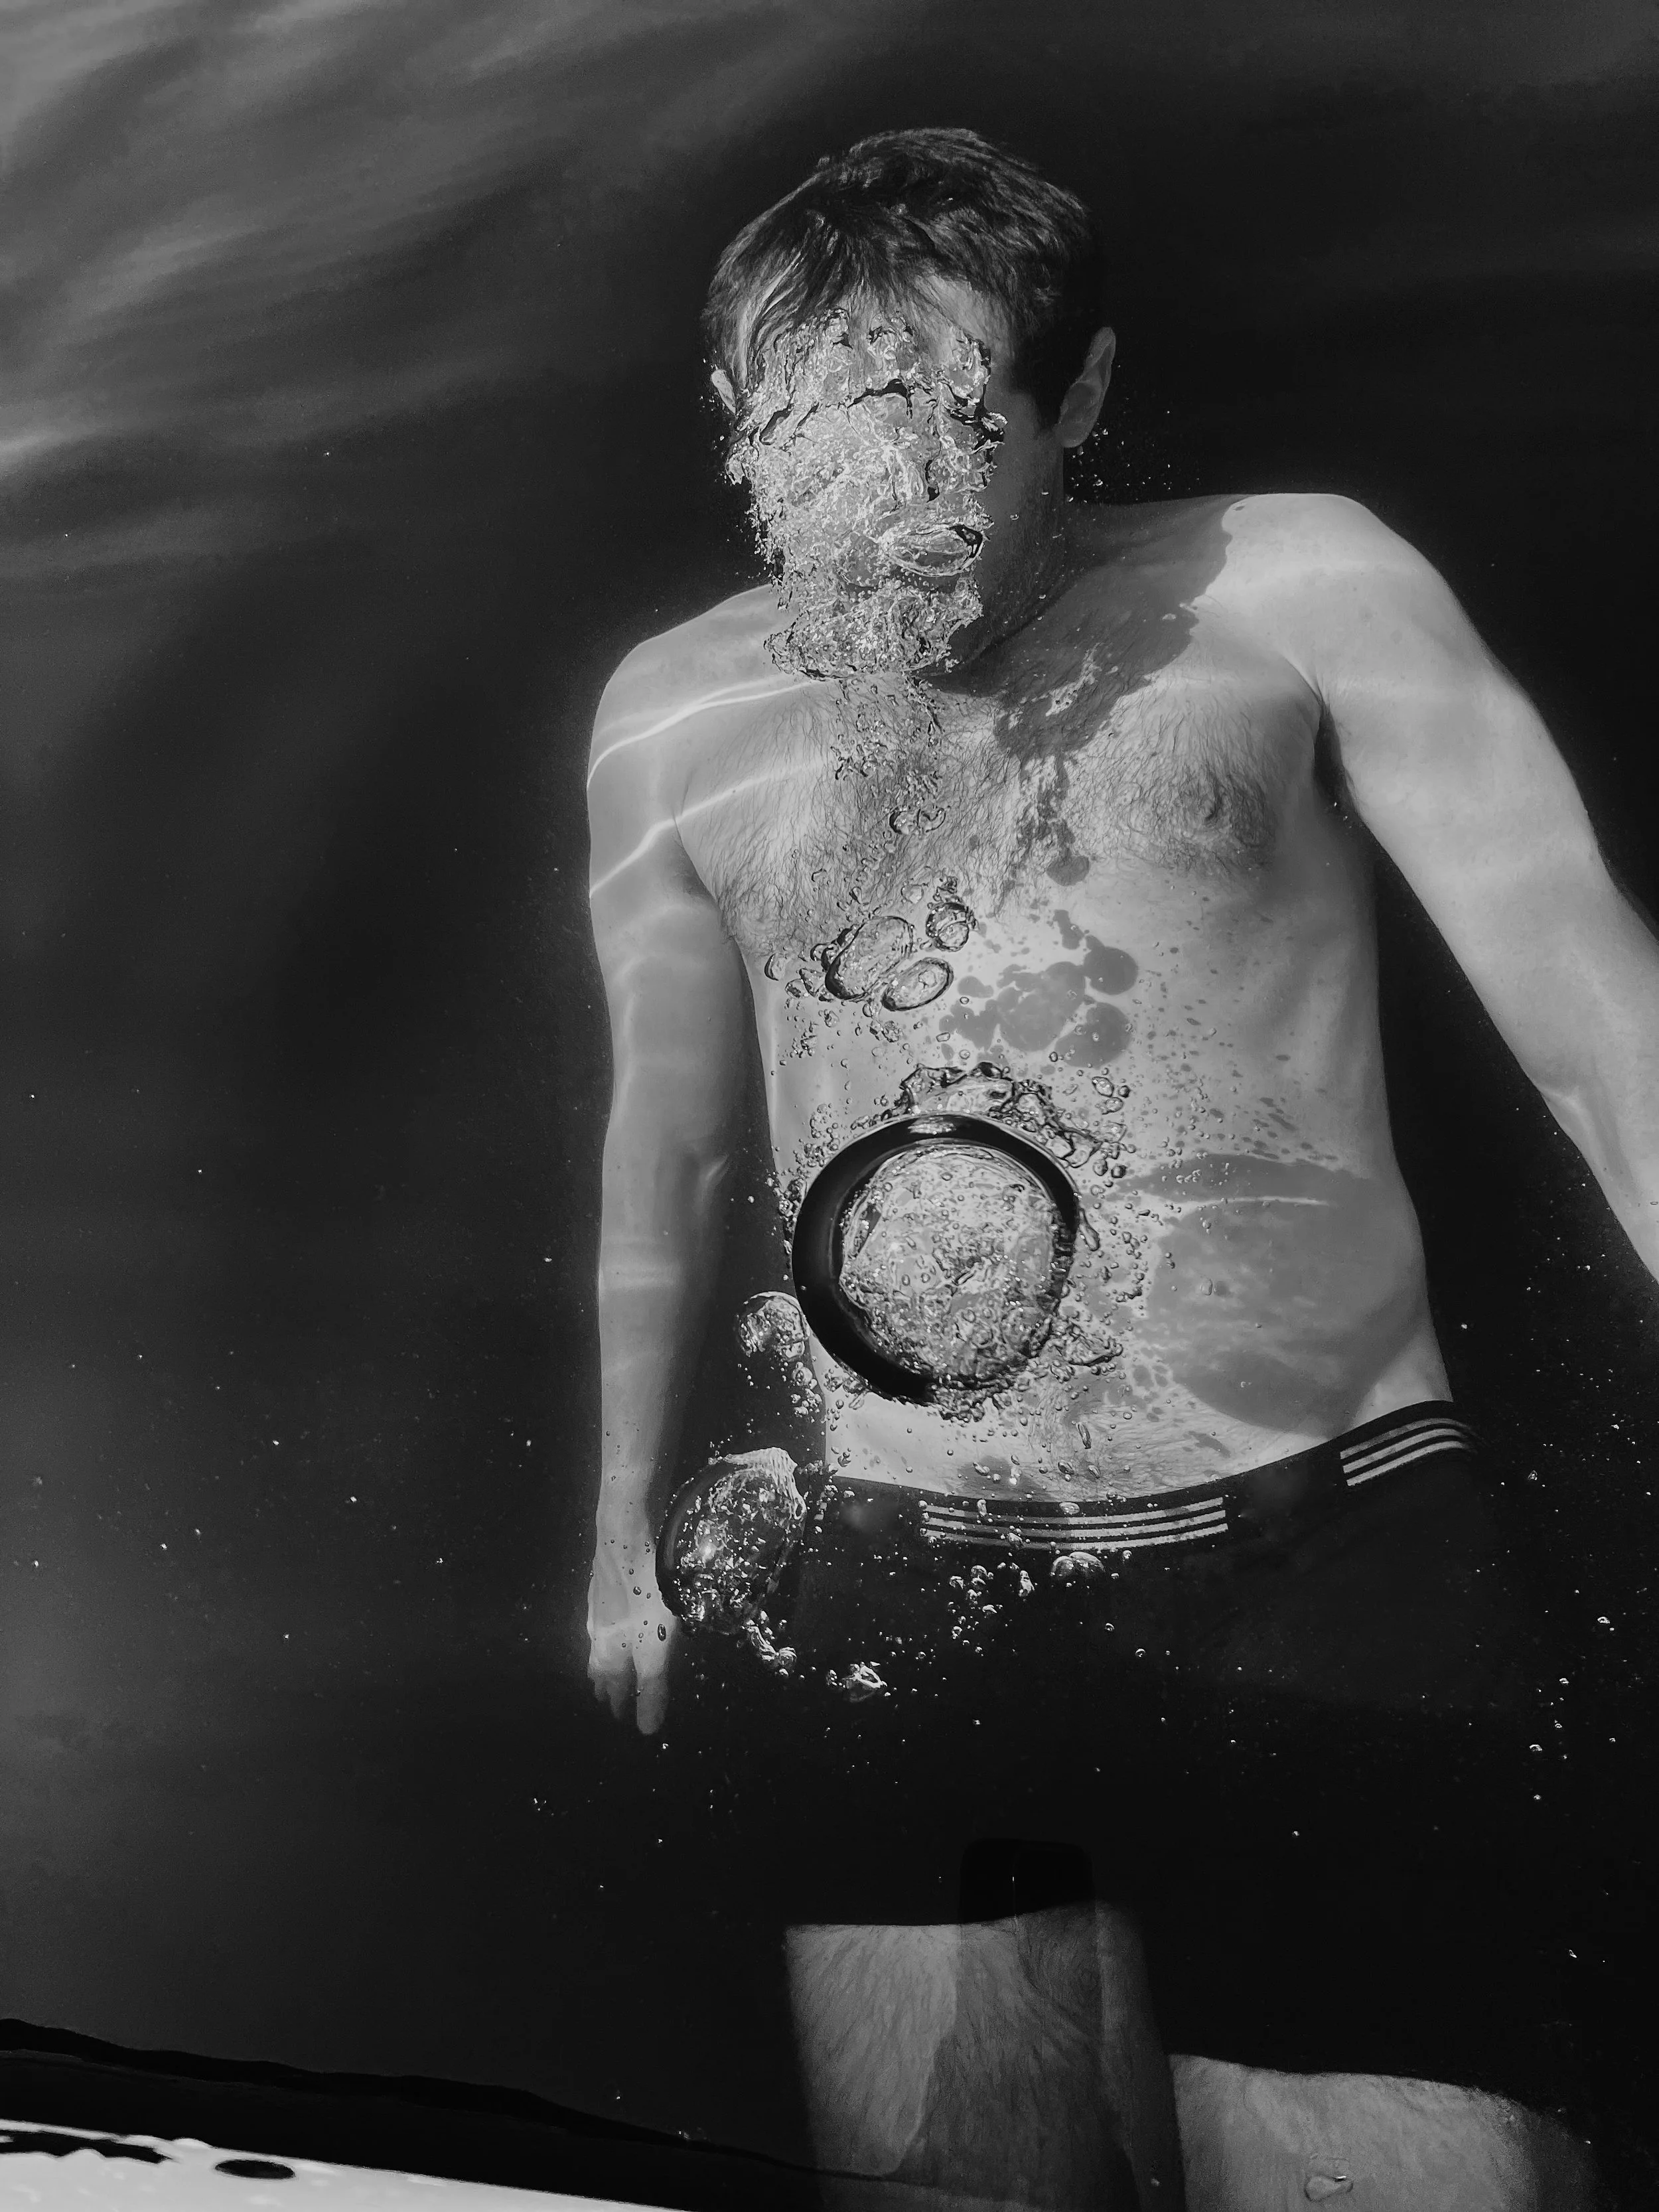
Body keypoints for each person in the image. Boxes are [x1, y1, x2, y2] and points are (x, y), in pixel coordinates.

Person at [584, 127, 1656, 2209]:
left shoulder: (1295, 586)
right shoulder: (665, 714)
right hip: (895, 1572)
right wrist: (622, 1520)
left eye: (949, 430)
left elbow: (1600, 1031)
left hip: (1320, 1561)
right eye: (806, 444)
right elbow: (678, 1127)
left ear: (1077, 393)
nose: (879, 515)